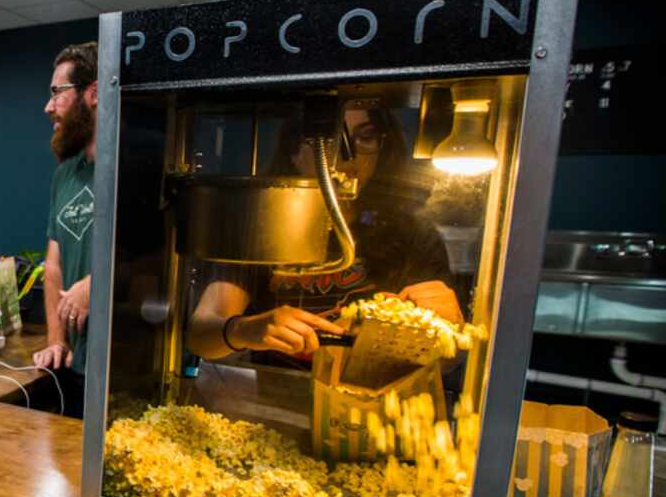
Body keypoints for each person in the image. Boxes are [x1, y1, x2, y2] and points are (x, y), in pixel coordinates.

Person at [186, 106, 462, 362]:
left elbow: (449, 360)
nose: (347, 157)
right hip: (276, 391)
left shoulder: (412, 235)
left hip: (369, 394)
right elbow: (200, 336)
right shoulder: (260, 227)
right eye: (329, 139)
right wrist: (244, 330)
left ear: (382, 150)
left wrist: (448, 327)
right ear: (295, 152)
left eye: (365, 138)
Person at [32, 41, 98, 418]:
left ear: (92, 94)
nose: (49, 106)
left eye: (57, 93)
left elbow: (152, 254)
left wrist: (96, 283)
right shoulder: (65, 174)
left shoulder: (131, 166)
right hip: (73, 361)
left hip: (117, 364)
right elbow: (53, 263)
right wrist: (55, 340)